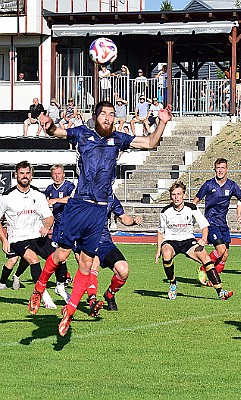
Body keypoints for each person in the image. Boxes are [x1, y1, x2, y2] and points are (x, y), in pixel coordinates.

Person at [28, 100, 172, 337]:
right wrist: (48, 123)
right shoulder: (82, 134)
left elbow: (150, 142)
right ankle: (39, 287)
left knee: (86, 264)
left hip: (99, 211)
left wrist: (163, 123)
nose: (107, 118)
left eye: (111, 114)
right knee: (61, 254)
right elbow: (56, 131)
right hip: (79, 205)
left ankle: (69, 313)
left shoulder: (119, 138)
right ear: (95, 117)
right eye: (103, 114)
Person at [156, 181, 233, 301]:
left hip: (188, 241)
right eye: (174, 195)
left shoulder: (191, 208)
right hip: (171, 241)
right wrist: (158, 250)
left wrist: (203, 238)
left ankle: (220, 292)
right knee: (166, 254)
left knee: (206, 259)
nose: (176, 197)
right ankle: (173, 284)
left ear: (184, 195)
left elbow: (204, 226)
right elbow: (161, 232)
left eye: (179, 194)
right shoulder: (165, 211)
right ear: (171, 196)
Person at [0, 161, 58, 309]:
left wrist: (46, 226)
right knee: (32, 259)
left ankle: (61, 287)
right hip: (17, 237)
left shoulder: (38, 194)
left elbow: (48, 216)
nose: (24, 176)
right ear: (16, 175)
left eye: (27, 173)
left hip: (37, 235)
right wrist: (4, 240)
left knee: (58, 259)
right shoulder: (6, 196)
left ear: (31, 176)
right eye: (21, 173)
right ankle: (43, 296)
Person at [193, 158, 241, 285]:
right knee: (221, 249)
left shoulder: (232, 185)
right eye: (218, 168)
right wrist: (190, 215)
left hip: (223, 224)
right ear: (214, 169)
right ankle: (203, 268)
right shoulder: (208, 184)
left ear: (227, 169)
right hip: (211, 222)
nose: (220, 170)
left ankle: (214, 278)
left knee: (225, 255)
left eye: (223, 167)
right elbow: (196, 201)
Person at [80, 194, 142, 315]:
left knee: (123, 270)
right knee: (94, 265)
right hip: (89, 241)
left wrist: (133, 221)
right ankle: (92, 302)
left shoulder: (111, 198)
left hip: (105, 243)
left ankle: (109, 295)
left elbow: (123, 217)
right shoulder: (85, 195)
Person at [43, 164, 75, 302]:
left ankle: (71, 279)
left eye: (59, 173)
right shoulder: (49, 189)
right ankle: (63, 280)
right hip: (57, 228)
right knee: (57, 255)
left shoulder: (69, 186)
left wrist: (56, 200)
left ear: (63, 174)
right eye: (54, 174)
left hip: (71, 226)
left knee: (79, 257)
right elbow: (43, 202)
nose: (57, 176)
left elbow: (72, 199)